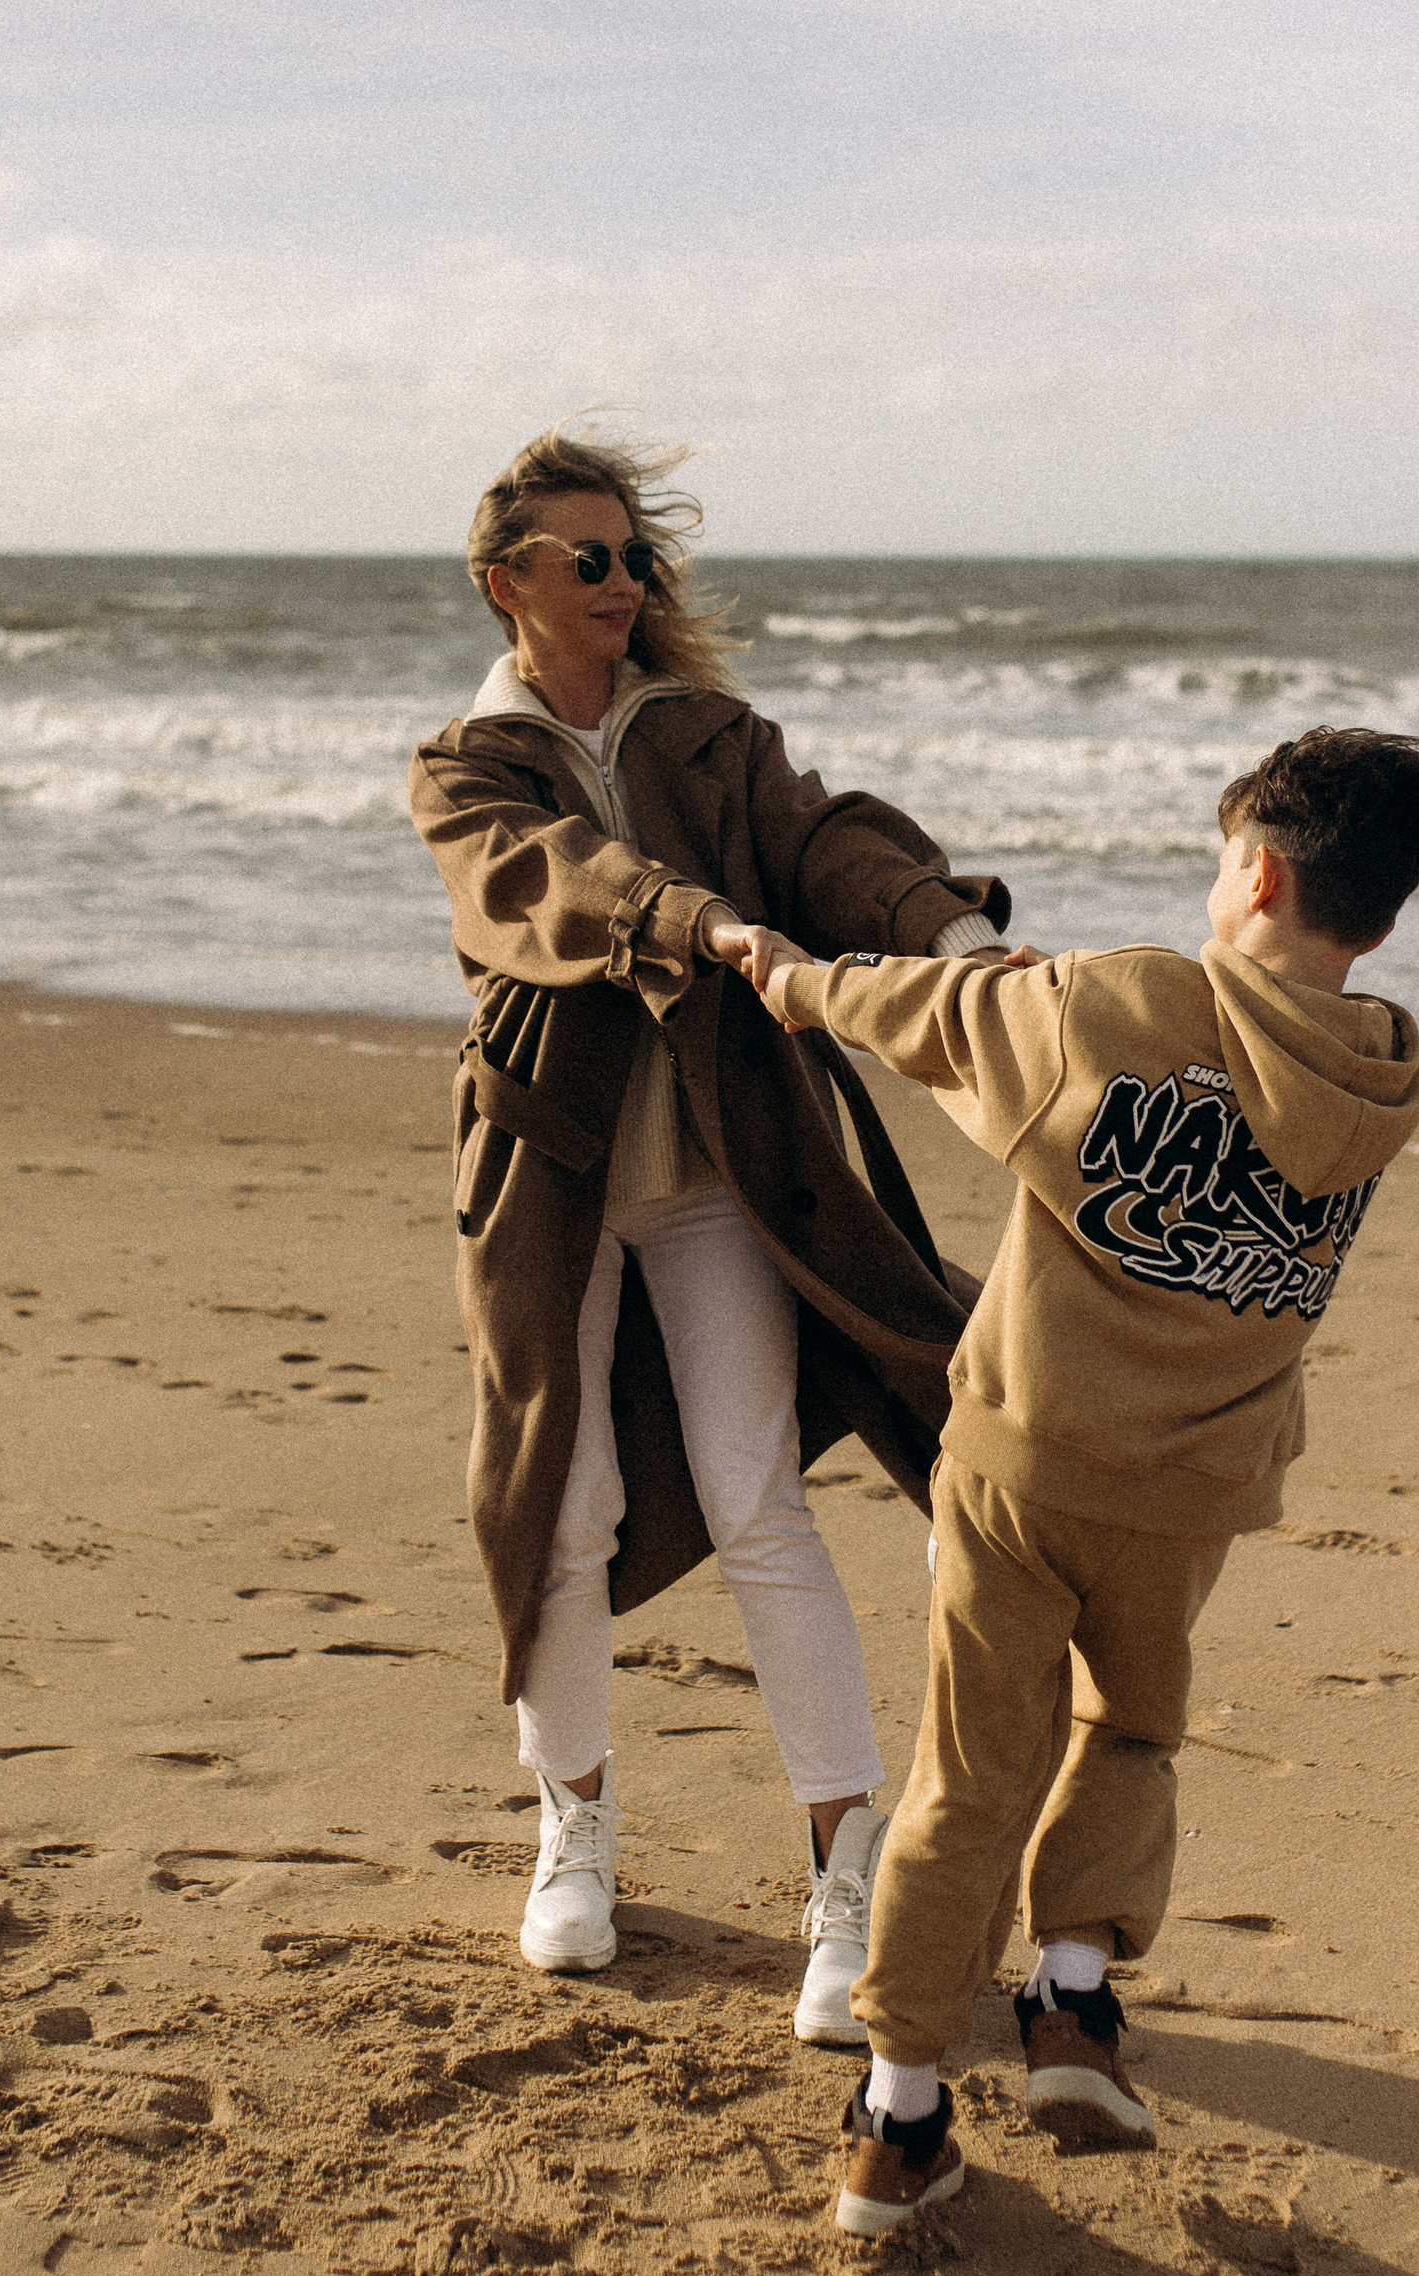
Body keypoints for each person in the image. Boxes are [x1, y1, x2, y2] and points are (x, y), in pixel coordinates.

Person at [731, 723, 1419, 2234]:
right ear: (1382, 917)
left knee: (969, 1775)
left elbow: (923, 1012)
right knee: (1130, 1729)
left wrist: (788, 977)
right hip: (1192, 1493)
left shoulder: (1119, 1005)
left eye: (1224, 860)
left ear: (1255, 870)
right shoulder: (1382, 1077)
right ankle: (1072, 2001)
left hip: (1021, 1466)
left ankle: (901, 2111)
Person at [409, 427, 1014, 2044]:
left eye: (636, 560)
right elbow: (542, 885)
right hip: (552, 1185)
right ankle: (575, 1833)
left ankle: (843, 1876)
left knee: (761, 1505)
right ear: (508, 583)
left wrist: (948, 930)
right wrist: (695, 918)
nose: (622, 584)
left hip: (721, 1171)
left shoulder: (716, 738)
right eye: (588, 559)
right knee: (561, 1507)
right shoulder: (467, 766)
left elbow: (830, 844)